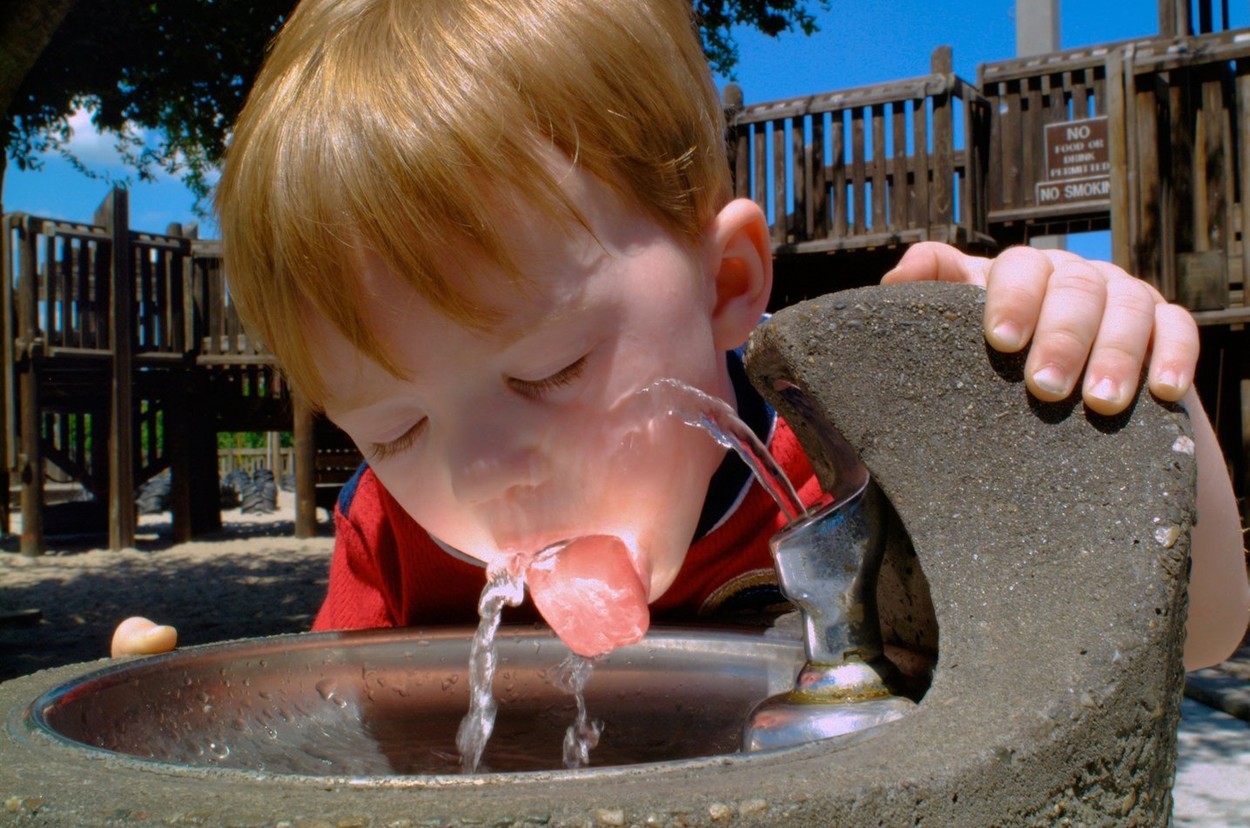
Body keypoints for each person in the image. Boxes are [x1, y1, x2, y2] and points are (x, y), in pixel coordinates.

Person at [113, 0, 1247, 669]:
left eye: (549, 368)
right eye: (396, 428)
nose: (485, 472)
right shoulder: (394, 545)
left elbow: (1191, 636)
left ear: (726, 285)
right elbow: (341, 743)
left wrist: (1121, 382)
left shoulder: (854, 463)